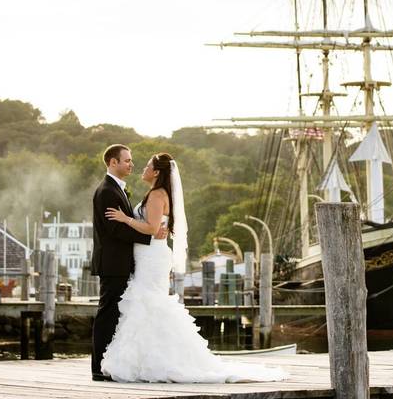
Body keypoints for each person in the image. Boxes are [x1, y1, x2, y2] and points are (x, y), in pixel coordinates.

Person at [100, 152, 285, 383]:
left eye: (147, 165)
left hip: (151, 257)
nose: (141, 168)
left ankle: (152, 360)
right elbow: (154, 228)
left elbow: (150, 228)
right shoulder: (156, 194)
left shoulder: (157, 195)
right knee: (147, 303)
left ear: (156, 172)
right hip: (148, 255)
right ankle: (150, 358)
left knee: (148, 303)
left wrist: (125, 219)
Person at [91, 144, 163, 382]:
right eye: (127, 161)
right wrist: (149, 235)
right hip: (112, 264)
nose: (131, 165)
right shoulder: (107, 191)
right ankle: (98, 368)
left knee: (116, 314)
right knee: (107, 314)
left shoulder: (116, 189)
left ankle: (111, 364)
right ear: (113, 162)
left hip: (121, 263)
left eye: (132, 161)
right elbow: (115, 229)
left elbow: (124, 224)